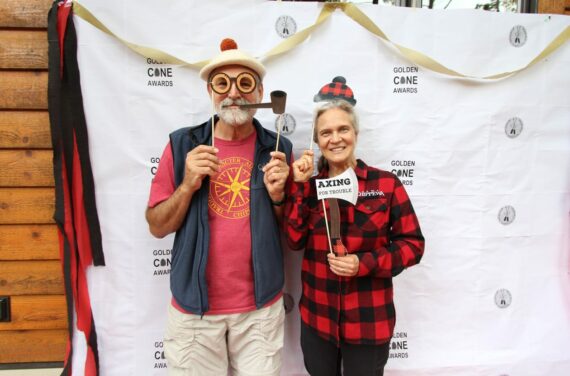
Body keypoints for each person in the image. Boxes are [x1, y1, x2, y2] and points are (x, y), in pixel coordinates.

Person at [146, 38, 292, 375]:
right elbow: (157, 226)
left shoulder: (277, 148)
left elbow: (290, 227)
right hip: (194, 313)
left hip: (260, 311)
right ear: (210, 92)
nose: (233, 93)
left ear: (259, 93)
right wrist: (187, 184)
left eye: (245, 83)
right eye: (222, 83)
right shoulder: (183, 145)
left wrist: (279, 196)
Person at [285, 77, 425, 376]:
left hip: (369, 322)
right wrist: (298, 186)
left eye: (342, 129)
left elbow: (413, 244)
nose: (335, 139)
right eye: (326, 133)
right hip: (318, 320)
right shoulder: (309, 187)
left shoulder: (385, 184)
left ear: (355, 133)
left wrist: (363, 263)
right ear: (317, 141)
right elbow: (294, 240)